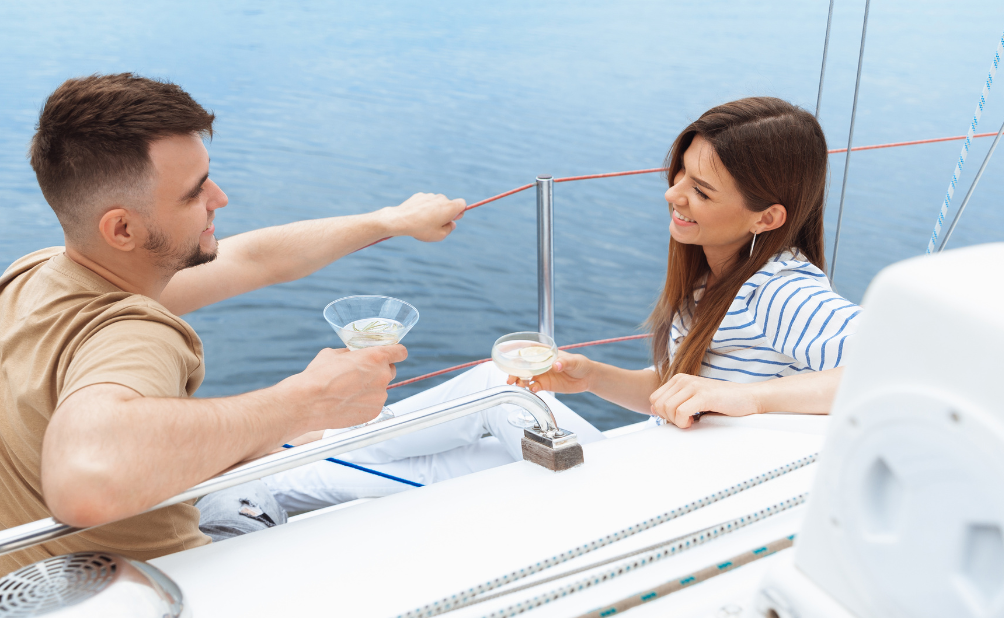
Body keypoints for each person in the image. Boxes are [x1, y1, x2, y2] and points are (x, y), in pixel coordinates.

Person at [0, 73, 465, 598]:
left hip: (20, 598)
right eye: (195, 192)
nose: (220, 197)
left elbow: (254, 259)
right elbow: (86, 478)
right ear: (123, 230)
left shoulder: (31, 277)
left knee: (252, 471)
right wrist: (305, 402)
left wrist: (391, 220)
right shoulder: (134, 331)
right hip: (173, 594)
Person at [262, 96, 859, 511]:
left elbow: (901, 366)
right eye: (678, 173)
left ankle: (298, 448)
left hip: (658, 498)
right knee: (473, 437)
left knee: (492, 396)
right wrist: (591, 377)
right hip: (653, 474)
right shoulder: (717, 276)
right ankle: (265, 489)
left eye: (701, 190)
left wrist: (748, 399)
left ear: (769, 216)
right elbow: (686, 394)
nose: (674, 195)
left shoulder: (782, 290)